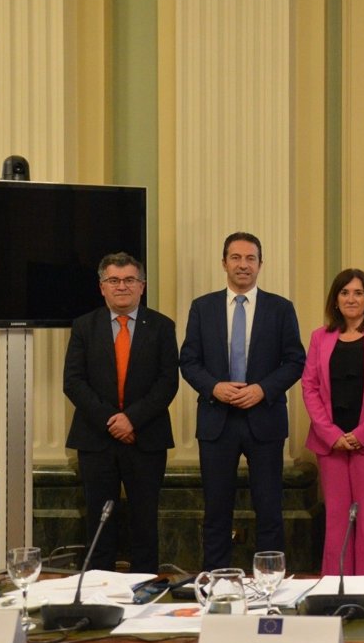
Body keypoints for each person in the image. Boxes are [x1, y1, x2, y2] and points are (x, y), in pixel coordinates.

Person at [180, 232, 305, 570]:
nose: (243, 265)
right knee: (216, 510)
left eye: (250, 258)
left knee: (269, 509)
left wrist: (263, 389)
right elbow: (188, 361)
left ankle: (269, 580)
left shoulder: (280, 308)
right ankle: (217, 581)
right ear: (224, 263)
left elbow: (295, 361)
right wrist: (214, 387)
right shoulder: (203, 307)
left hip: (264, 419)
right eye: (236, 258)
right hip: (216, 421)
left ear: (261, 264)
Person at [62, 252, 179, 573]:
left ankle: (144, 588)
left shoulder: (162, 326)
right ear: (102, 287)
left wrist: (132, 419)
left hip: (146, 437)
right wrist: (111, 421)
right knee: (100, 523)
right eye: (113, 280)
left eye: (129, 280)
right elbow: (73, 382)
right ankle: (99, 588)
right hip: (96, 438)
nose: (122, 286)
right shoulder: (84, 326)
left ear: (142, 286)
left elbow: (168, 382)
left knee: (145, 522)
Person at [302, 269, 364, 576]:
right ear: (335, 300)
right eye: (345, 292)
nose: (351, 299)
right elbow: (309, 387)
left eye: (358, 293)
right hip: (330, 442)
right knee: (336, 516)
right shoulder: (319, 337)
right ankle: (335, 586)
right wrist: (330, 433)